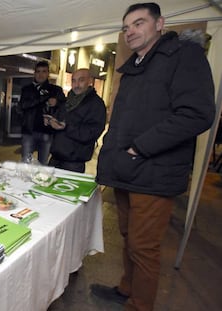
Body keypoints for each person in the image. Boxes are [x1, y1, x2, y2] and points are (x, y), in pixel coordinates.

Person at [92, 3, 215, 311]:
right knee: (128, 238)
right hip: (125, 170)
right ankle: (127, 289)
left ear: (160, 24)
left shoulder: (184, 56)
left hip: (153, 172)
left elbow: (197, 114)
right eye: (125, 27)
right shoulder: (135, 65)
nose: (130, 31)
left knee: (144, 246)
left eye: (138, 23)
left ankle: (140, 305)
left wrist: (139, 148)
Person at [47, 69, 106, 173]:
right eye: (73, 81)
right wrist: (51, 122)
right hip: (56, 157)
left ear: (90, 81)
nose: (76, 84)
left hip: (74, 162)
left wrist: (67, 127)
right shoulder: (68, 100)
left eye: (81, 80)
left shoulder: (96, 104)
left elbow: (91, 132)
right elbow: (60, 120)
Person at [18, 60, 66, 164]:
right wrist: (42, 98)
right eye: (38, 71)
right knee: (25, 164)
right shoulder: (27, 89)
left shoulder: (55, 89)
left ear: (48, 73)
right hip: (29, 131)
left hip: (47, 132)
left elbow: (65, 106)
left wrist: (56, 102)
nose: (41, 74)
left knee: (43, 165)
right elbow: (23, 105)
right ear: (34, 73)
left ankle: (40, 180)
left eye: (44, 71)